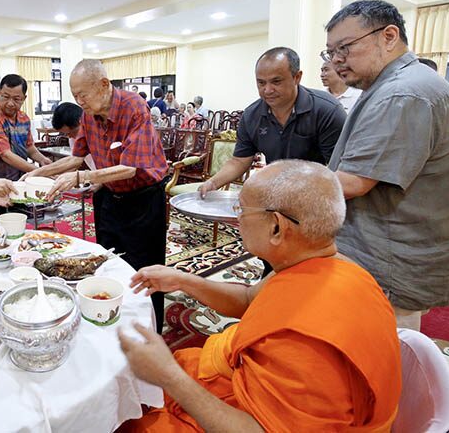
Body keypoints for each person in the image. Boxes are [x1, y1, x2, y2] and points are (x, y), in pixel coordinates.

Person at [119, 160, 402, 432]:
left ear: (277, 227)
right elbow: (248, 300)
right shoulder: (330, 264)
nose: (237, 218)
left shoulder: (303, 343)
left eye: (241, 209)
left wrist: (170, 377)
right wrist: (183, 280)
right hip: (244, 385)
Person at [324, 0, 449, 329]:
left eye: (345, 47)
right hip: (398, 249)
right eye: (330, 52)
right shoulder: (399, 84)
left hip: (391, 258)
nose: (336, 60)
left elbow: (354, 182)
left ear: (389, 36)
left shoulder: (402, 93)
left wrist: (282, 185)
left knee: (383, 349)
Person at [24, 60, 169, 328]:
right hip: (110, 198)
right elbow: (76, 157)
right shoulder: (88, 115)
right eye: (75, 96)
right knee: (107, 262)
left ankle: (151, 331)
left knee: (145, 270)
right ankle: (113, 324)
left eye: (83, 95)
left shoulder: (134, 107)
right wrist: (38, 172)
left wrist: (82, 177)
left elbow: (129, 168)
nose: (79, 102)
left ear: (103, 85)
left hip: (143, 200)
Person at [198, 47, 346, 198]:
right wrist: (213, 183)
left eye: (276, 82)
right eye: (261, 83)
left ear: (297, 77)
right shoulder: (251, 116)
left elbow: (339, 170)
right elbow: (239, 161)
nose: (267, 90)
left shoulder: (326, 110)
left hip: (316, 194)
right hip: (276, 193)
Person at [0, 74, 52, 181]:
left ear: (24, 98)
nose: (10, 103)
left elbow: (29, 148)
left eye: (16, 99)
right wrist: (40, 172)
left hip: (18, 178)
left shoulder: (23, 118)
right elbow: (6, 155)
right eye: (6, 97)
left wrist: (42, 160)